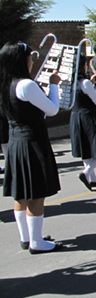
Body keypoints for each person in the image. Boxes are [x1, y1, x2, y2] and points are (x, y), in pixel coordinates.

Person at [0, 42, 64, 253]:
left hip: (16, 142)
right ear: (21, 60)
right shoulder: (26, 85)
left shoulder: (5, 84)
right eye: (30, 57)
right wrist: (54, 84)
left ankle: (26, 238)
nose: (32, 61)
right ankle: (37, 242)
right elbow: (53, 109)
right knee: (37, 193)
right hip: (32, 142)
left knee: (21, 194)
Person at [71, 55, 96, 191]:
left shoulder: (69, 82)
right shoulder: (85, 83)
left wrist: (91, 84)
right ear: (82, 66)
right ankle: (86, 172)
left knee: (86, 148)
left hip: (76, 117)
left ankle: (92, 178)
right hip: (89, 117)